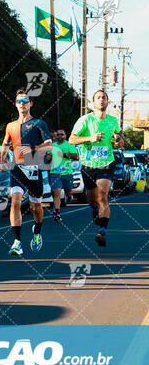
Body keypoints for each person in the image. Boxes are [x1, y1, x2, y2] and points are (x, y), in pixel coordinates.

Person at [1, 89, 52, 255]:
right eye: (19, 101)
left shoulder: (39, 123)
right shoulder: (11, 126)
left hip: (34, 167)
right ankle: (17, 242)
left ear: (30, 104)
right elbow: (5, 144)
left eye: (25, 101)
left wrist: (34, 148)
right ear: (16, 105)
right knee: (15, 201)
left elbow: (49, 145)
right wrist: (2, 158)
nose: (22, 104)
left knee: (36, 207)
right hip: (17, 168)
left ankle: (37, 233)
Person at [69, 90, 124, 247]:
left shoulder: (113, 121)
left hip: (106, 163)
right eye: (98, 98)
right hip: (88, 165)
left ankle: (102, 231)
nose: (101, 100)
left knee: (103, 196)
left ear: (107, 102)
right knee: (92, 200)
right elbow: (72, 139)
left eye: (104, 98)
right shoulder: (85, 120)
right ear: (93, 103)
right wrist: (90, 138)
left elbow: (121, 141)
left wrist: (119, 139)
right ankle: (95, 210)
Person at [50, 128, 79, 222]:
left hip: (67, 173)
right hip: (55, 173)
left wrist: (64, 154)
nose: (59, 136)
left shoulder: (69, 145)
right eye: (58, 135)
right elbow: (48, 156)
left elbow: (76, 156)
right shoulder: (52, 146)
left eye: (61, 134)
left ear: (65, 136)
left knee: (68, 192)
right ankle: (57, 212)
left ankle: (69, 196)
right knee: (56, 192)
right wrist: (48, 156)